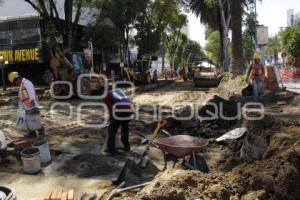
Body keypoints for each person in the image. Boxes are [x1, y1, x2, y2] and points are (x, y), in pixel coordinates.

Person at [8, 72, 45, 141]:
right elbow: (22, 97)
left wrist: (32, 101)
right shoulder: (22, 85)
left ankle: (41, 135)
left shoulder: (26, 83)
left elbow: (31, 92)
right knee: (29, 121)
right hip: (27, 106)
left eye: (15, 82)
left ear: (17, 79)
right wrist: (21, 108)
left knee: (35, 120)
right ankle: (32, 133)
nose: (16, 84)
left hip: (31, 105)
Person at [103, 88, 133, 156]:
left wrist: (111, 120)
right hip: (129, 109)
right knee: (125, 128)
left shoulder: (106, 95)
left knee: (111, 129)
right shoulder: (118, 91)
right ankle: (126, 147)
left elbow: (110, 109)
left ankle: (111, 151)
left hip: (121, 110)